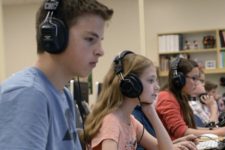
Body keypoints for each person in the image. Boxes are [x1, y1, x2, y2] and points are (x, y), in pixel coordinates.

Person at [0, 0, 113, 149]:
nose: (100, 51)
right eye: (90, 39)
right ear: (54, 36)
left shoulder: (64, 94)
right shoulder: (28, 94)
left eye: (100, 40)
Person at [84, 51, 173, 150]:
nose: (157, 87)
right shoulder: (111, 123)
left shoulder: (130, 121)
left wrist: (151, 112)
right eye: (151, 80)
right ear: (131, 84)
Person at [156, 57, 225, 140]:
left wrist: (218, 130)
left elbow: (191, 128)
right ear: (179, 79)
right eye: (194, 78)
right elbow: (181, 132)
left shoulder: (181, 97)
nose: (197, 83)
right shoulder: (166, 98)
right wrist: (216, 132)